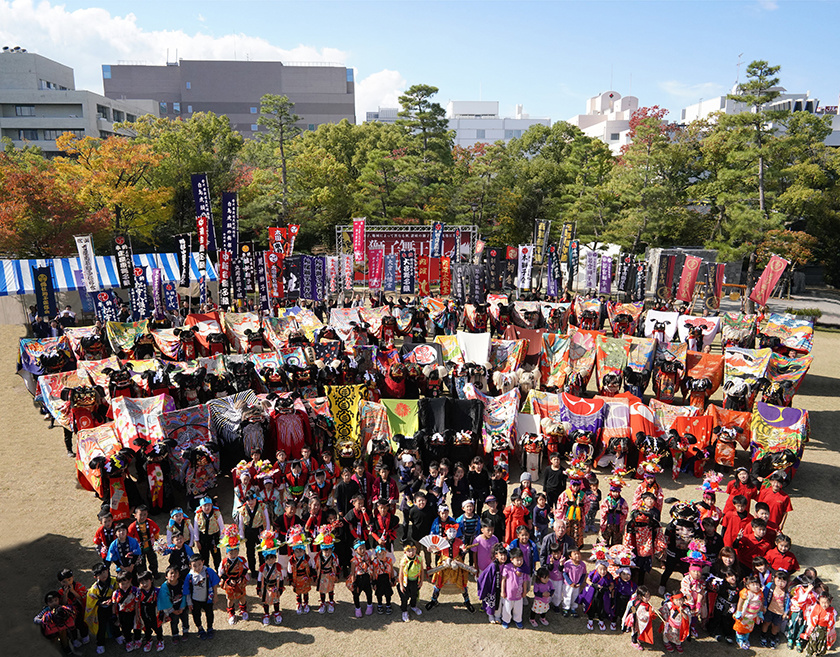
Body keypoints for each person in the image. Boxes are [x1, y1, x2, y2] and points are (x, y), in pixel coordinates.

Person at [425, 523, 474, 613]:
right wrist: (432, 550)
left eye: (454, 531)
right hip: (444, 564)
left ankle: (467, 601)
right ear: (446, 532)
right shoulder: (441, 541)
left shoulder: (459, 541)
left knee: (462, 583)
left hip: (457, 564)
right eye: (450, 531)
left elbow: (462, 554)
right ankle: (433, 600)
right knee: (438, 583)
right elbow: (438, 553)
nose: (452, 533)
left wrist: (464, 551)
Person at [183, 553, 220, 640]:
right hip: (195, 600)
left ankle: (210, 628)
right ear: (190, 566)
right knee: (196, 615)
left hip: (208, 598)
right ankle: (200, 628)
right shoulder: (189, 576)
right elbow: (187, 590)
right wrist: (189, 602)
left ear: (203, 562)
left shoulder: (208, 571)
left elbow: (215, 583)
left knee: (209, 613)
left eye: (199, 564)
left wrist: (215, 595)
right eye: (194, 566)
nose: (197, 567)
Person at [217, 529, 250, 625]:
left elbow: (245, 569)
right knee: (230, 599)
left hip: (240, 581)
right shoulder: (224, 562)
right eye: (230, 553)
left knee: (242, 597)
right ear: (227, 553)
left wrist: (242, 577)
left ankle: (243, 610)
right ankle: (231, 614)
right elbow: (221, 573)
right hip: (229, 582)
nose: (233, 554)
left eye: (235, 552)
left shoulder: (242, 560)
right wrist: (228, 580)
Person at [84, 562, 118, 654]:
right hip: (101, 609)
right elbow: (91, 598)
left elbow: (119, 591)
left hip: (113, 606)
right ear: (95, 577)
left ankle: (117, 635)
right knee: (101, 626)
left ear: (107, 571)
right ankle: (100, 643)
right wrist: (100, 602)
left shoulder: (114, 581)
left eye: (104, 572)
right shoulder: (94, 588)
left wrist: (112, 599)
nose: (103, 575)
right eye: (99, 574)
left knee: (114, 621)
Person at [34, 590, 78, 655]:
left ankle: (67, 650)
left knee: (64, 637)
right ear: (47, 603)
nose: (54, 603)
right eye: (51, 602)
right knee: (53, 642)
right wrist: (44, 620)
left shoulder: (61, 608)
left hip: (61, 629)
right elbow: (36, 619)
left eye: (56, 600)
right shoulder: (47, 610)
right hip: (52, 631)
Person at [57, 568, 89, 649]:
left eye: (69, 579)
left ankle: (84, 635)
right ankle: (74, 639)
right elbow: (62, 603)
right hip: (69, 612)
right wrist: (65, 594)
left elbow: (82, 598)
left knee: (82, 623)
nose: (67, 583)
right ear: (60, 582)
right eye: (64, 581)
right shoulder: (61, 591)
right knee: (71, 626)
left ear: (73, 577)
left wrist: (73, 591)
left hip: (79, 608)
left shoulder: (78, 586)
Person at [579, 559, 614, 631]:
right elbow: (587, 580)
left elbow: (612, 585)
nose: (603, 571)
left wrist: (607, 588)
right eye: (600, 569)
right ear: (597, 568)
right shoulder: (593, 573)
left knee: (602, 607)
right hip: (593, 593)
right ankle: (590, 619)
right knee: (592, 605)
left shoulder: (608, 576)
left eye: (604, 569)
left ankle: (601, 620)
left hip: (603, 594)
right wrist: (593, 585)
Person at [157, 567, 189, 644]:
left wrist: (182, 607)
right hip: (172, 609)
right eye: (171, 573)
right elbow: (164, 600)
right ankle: (175, 634)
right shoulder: (164, 587)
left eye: (175, 573)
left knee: (185, 619)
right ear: (166, 576)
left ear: (179, 575)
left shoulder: (182, 583)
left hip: (182, 606)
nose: (173, 575)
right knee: (174, 622)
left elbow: (185, 595)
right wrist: (172, 610)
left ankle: (185, 631)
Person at [733, 574, 766, 649]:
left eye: (757, 584)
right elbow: (740, 603)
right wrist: (738, 612)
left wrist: (760, 613)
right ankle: (740, 640)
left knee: (749, 628)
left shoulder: (760, 593)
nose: (756, 586)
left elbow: (761, 603)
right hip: (744, 614)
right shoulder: (745, 593)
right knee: (740, 628)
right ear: (748, 586)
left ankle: (746, 639)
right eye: (753, 585)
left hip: (753, 615)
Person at [707, 567, 739, 644]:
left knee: (728, 621)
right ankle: (714, 632)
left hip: (731, 607)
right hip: (720, 605)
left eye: (732, 575)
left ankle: (728, 635)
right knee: (717, 618)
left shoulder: (739, 586)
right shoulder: (723, 585)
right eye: (728, 577)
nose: (731, 578)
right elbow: (715, 589)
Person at [111, 571, 141, 651]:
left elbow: (137, 603)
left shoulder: (135, 590)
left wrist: (137, 615)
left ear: (130, 581)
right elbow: (114, 605)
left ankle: (138, 639)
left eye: (127, 583)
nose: (125, 585)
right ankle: (128, 641)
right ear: (118, 583)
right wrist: (114, 615)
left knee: (136, 626)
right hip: (122, 614)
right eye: (122, 584)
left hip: (133, 612)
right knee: (125, 629)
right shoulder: (116, 593)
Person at [128, 505, 160, 579]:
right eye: (140, 515)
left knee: (153, 561)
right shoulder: (132, 527)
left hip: (150, 547)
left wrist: (156, 541)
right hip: (139, 549)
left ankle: (155, 573)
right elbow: (129, 538)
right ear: (135, 515)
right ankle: (144, 576)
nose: (142, 517)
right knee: (141, 564)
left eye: (144, 514)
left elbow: (156, 531)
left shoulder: (150, 522)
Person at [761, 569, 791, 648]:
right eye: (778, 580)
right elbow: (764, 596)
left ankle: (773, 637)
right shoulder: (770, 586)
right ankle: (763, 636)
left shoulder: (787, 591)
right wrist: (764, 606)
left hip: (780, 612)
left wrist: (785, 612)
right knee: (766, 623)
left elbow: (788, 602)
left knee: (776, 625)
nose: (780, 583)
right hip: (769, 609)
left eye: (783, 582)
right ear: (774, 579)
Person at [500, 547, 529, 629]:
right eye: (517, 560)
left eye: (521, 559)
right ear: (512, 559)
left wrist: (524, 591)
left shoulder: (523, 568)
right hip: (509, 594)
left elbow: (525, 581)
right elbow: (503, 580)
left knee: (518, 609)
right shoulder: (507, 567)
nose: (519, 562)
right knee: (507, 608)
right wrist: (503, 591)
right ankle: (506, 620)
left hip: (519, 594)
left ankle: (518, 619)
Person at [192, 497, 225, 570]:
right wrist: (197, 541)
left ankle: (218, 572)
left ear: (212, 505)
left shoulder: (216, 514)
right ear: (201, 507)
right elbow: (196, 529)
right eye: (204, 506)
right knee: (204, 557)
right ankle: (206, 572)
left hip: (214, 538)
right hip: (203, 539)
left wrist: (222, 539)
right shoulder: (198, 515)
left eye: (209, 505)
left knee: (217, 557)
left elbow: (222, 527)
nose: (207, 508)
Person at [397, 539, 425, 623]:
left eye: (413, 550)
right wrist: (401, 585)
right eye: (408, 551)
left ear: (416, 549)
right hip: (406, 581)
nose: (411, 553)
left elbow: (422, 571)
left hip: (415, 580)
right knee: (404, 597)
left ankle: (413, 606)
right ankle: (404, 610)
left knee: (414, 595)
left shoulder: (419, 558)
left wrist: (421, 581)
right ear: (405, 552)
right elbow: (401, 574)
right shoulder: (404, 561)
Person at [136, 570, 164, 652]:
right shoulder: (139, 592)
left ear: (151, 580)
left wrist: (162, 613)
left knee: (157, 627)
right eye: (142, 582)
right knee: (146, 627)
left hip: (155, 611)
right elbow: (137, 603)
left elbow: (161, 602)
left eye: (146, 581)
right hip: (144, 612)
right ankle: (149, 640)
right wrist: (137, 615)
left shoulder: (156, 591)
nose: (144, 584)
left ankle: (160, 640)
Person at [599, 470, 629, 546]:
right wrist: (607, 510)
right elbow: (602, 508)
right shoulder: (607, 500)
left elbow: (626, 510)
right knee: (604, 538)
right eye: (613, 491)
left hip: (617, 524)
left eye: (617, 492)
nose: (615, 493)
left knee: (616, 540)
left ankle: (615, 552)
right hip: (608, 523)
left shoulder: (622, 501)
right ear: (610, 491)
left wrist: (621, 512)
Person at [803, 591, 836, 657]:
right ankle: (809, 653)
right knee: (813, 641)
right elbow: (811, 618)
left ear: (830, 602)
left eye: (826, 603)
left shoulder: (832, 611)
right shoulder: (816, 608)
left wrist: (830, 630)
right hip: (816, 628)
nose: (824, 605)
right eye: (822, 603)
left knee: (822, 643)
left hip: (825, 630)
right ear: (819, 601)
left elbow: (833, 622)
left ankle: (820, 654)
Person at [622, 585, 654, 650]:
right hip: (635, 620)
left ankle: (638, 638)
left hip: (634, 616)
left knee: (635, 630)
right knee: (635, 631)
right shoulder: (641, 606)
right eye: (646, 597)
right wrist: (650, 613)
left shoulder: (636, 600)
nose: (648, 598)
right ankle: (634, 642)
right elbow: (642, 616)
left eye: (649, 596)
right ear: (640, 596)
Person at [347, 540, 373, 617]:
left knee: (369, 592)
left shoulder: (367, 556)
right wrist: (354, 583)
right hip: (358, 578)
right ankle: (357, 608)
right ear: (355, 550)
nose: (362, 550)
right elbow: (352, 573)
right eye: (360, 549)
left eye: (364, 548)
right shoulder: (354, 561)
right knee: (356, 594)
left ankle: (369, 605)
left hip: (366, 576)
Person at [562, 548, 587, 617]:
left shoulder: (582, 564)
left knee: (575, 596)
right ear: (570, 556)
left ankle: (573, 608)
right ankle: (566, 608)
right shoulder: (567, 563)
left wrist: (580, 583)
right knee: (567, 596)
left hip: (577, 584)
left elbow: (583, 574)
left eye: (578, 553)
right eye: (575, 554)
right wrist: (570, 583)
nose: (577, 555)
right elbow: (565, 574)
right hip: (568, 584)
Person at [371, 546, 396, 614]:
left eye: (383, 554)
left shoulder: (389, 560)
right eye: (379, 554)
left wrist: (393, 578)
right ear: (376, 555)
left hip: (387, 578)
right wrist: (374, 582)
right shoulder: (375, 562)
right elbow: (373, 572)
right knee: (379, 593)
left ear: (386, 553)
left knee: (388, 593)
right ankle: (379, 604)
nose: (382, 556)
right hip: (379, 578)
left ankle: (388, 604)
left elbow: (391, 569)